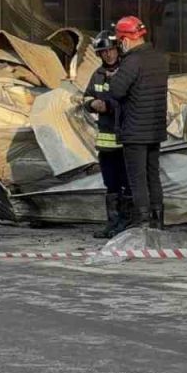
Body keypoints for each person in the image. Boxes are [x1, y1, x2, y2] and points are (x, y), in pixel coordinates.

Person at [108, 16, 169, 230]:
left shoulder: (132, 61)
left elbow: (117, 91)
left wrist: (115, 77)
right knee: (153, 175)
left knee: (137, 179)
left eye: (119, 41)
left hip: (135, 129)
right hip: (155, 128)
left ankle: (142, 222)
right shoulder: (160, 59)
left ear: (125, 40)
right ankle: (157, 220)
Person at [83, 28, 130, 238]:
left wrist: (109, 106)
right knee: (111, 184)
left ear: (118, 49)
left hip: (126, 140)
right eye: (103, 52)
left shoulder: (127, 71)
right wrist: (92, 104)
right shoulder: (98, 74)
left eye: (111, 50)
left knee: (128, 184)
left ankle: (126, 224)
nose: (108, 54)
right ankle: (113, 223)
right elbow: (86, 97)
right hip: (106, 141)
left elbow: (128, 101)